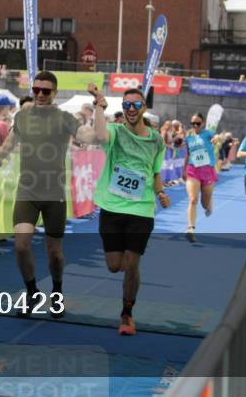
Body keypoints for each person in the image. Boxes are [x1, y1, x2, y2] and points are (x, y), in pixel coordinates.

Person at [0, 72, 93, 318]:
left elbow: (89, 137)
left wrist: (98, 113)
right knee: (21, 245)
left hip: (54, 193)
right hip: (27, 190)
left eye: (46, 91)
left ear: (55, 93)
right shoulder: (23, 116)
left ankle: (57, 291)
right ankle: (32, 291)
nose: (40, 94)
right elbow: (12, 140)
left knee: (54, 253)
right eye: (36, 89)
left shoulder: (65, 118)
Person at [83, 86, 169, 334]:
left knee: (132, 264)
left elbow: (155, 171)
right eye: (126, 105)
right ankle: (127, 280)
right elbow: (98, 136)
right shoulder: (114, 131)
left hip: (141, 210)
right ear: (122, 109)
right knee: (114, 265)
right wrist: (100, 105)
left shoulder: (156, 139)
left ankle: (127, 313)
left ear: (144, 107)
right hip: (112, 207)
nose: (131, 109)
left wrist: (161, 191)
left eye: (136, 105)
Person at [181, 112, 219, 242]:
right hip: (193, 170)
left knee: (204, 204)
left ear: (202, 124)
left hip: (207, 170)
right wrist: (184, 170)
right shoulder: (189, 137)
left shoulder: (207, 133)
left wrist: (216, 139)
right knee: (193, 199)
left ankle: (209, 205)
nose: (195, 126)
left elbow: (216, 137)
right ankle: (190, 229)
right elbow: (187, 154)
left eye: (198, 123)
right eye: (193, 123)